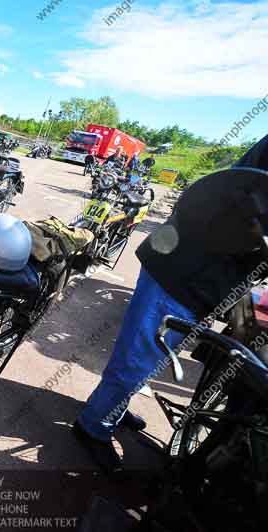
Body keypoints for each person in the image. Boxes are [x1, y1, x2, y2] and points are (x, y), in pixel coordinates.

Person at [72, 133, 268, 474]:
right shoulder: (251, 194)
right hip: (186, 273)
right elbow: (242, 215)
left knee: (148, 358)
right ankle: (94, 426)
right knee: (137, 360)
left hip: (198, 272)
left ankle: (111, 408)